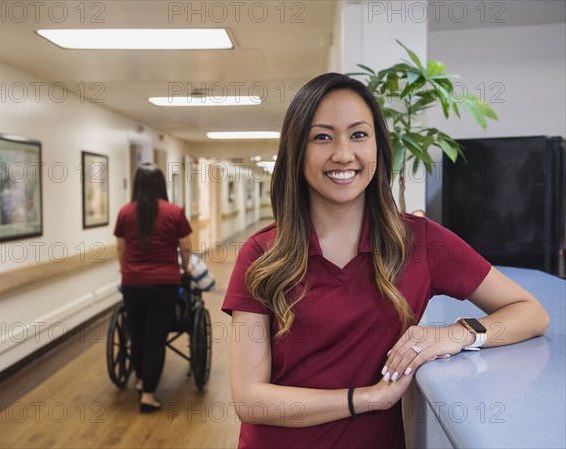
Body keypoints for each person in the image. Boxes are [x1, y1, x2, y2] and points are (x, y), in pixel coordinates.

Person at [222, 73, 550, 448]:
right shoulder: (263, 253)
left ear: (379, 147)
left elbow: (530, 312)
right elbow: (250, 400)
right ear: (297, 151)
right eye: (322, 136)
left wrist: (454, 335)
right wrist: (367, 398)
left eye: (359, 135)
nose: (343, 154)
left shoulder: (421, 242)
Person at [114, 163, 192, 414]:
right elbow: (185, 246)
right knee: (155, 339)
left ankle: (139, 380)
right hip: (164, 283)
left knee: (137, 334)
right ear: (161, 184)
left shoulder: (125, 212)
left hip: (133, 283)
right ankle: (148, 395)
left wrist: (124, 269)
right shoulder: (174, 212)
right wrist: (187, 268)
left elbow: (120, 249)